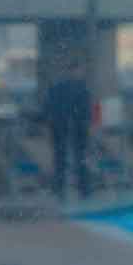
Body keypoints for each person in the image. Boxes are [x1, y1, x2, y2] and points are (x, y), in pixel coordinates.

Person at [44, 72, 93, 201]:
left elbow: (48, 110)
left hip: (64, 127)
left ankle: (63, 189)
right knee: (76, 158)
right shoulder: (79, 89)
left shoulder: (58, 89)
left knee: (63, 158)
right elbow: (85, 110)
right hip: (71, 127)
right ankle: (81, 189)